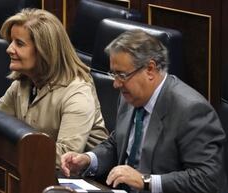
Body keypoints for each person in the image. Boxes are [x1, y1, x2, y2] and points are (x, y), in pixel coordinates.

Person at [61, 29, 226, 193]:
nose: (116, 84)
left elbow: (207, 179)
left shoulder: (191, 110)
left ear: (150, 69)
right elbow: (116, 143)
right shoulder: (129, 97)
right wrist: (89, 160)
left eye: (122, 75)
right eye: (114, 74)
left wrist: (145, 181)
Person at [0, 8, 109, 166]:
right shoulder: (23, 82)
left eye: (19, 44)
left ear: (44, 50)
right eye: (11, 42)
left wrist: (10, 146)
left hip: (78, 181)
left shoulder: (77, 91)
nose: (9, 49)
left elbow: (65, 156)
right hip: (32, 168)